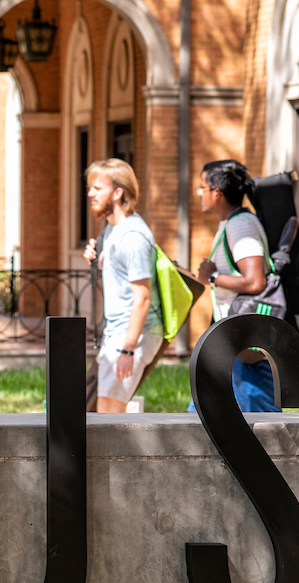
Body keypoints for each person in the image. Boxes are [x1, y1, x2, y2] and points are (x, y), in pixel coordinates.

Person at [191, 159, 279, 413]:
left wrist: (213, 276)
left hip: (246, 347)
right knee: (202, 418)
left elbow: (254, 281)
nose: (199, 193)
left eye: (202, 187)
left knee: (261, 429)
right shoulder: (230, 223)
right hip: (231, 342)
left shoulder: (240, 226)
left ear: (216, 192)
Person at [82, 158, 164, 413]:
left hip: (132, 337)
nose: (90, 194)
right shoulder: (111, 230)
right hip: (117, 333)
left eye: (97, 188)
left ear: (117, 193)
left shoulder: (132, 237)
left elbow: (142, 298)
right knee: (99, 411)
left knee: (109, 418)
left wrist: (128, 349)